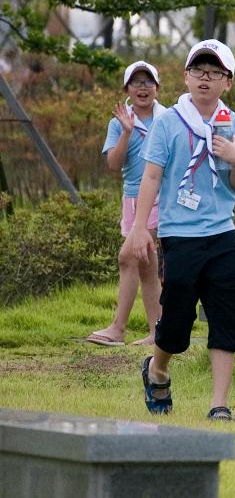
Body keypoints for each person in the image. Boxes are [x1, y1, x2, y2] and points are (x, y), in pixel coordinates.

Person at [123, 40, 235, 422]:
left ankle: (219, 403)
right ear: (185, 76)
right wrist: (139, 229)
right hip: (179, 235)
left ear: (228, 82)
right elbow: (151, 175)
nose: (205, 79)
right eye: (198, 71)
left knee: (227, 315)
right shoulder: (168, 122)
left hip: (222, 233)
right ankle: (158, 368)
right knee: (177, 319)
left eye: (215, 73)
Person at [89, 61, 168, 347]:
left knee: (128, 257)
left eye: (148, 81)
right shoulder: (119, 121)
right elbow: (113, 164)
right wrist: (126, 132)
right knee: (146, 265)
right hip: (132, 198)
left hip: (160, 197)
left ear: (157, 87)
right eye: (136, 82)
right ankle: (158, 331)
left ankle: (118, 329)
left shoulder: (168, 118)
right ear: (127, 89)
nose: (143, 87)